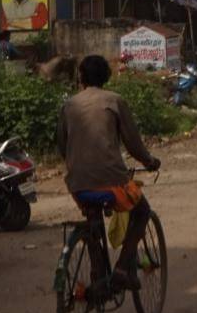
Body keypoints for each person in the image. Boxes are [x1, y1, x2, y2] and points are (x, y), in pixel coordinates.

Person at [58, 55, 161, 292]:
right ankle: (123, 268)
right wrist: (150, 161)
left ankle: (97, 276)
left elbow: (62, 145)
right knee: (142, 211)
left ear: (80, 77)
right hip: (113, 181)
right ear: (106, 77)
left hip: (78, 184)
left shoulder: (69, 105)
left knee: (93, 220)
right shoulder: (114, 101)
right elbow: (133, 143)